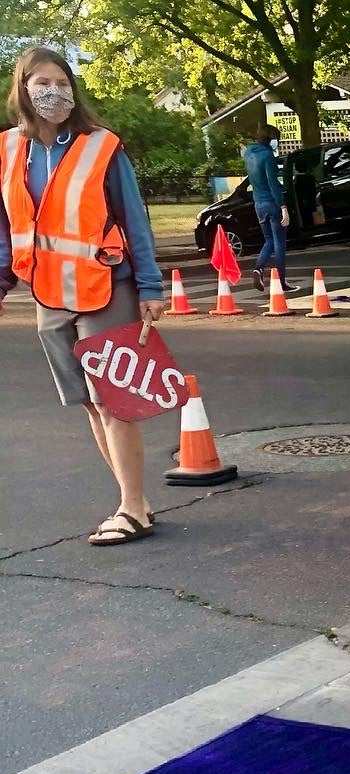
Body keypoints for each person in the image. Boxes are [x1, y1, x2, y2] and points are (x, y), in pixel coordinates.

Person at [0, 46, 166, 547]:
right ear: (23, 89)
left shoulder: (101, 146)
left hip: (105, 287)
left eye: (61, 81)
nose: (53, 92)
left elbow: (133, 217)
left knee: (113, 401)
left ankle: (132, 507)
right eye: (42, 83)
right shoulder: (8, 150)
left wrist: (151, 286)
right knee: (91, 405)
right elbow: (5, 228)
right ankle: (132, 501)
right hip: (48, 295)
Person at [243, 123, 295, 293]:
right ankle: (281, 281)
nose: (277, 143)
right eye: (276, 139)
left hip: (258, 203)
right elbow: (273, 184)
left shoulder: (249, 153)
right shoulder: (268, 156)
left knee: (269, 241)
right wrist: (283, 207)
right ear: (270, 139)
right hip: (272, 203)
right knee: (279, 242)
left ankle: (258, 268)